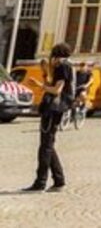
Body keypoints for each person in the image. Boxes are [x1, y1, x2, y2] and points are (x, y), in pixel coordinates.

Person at [23, 42, 74, 192]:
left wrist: (39, 84)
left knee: (45, 146)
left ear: (56, 55)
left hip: (53, 108)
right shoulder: (66, 66)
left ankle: (41, 181)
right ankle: (59, 180)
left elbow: (56, 90)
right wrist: (45, 74)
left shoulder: (62, 67)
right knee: (48, 144)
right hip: (56, 108)